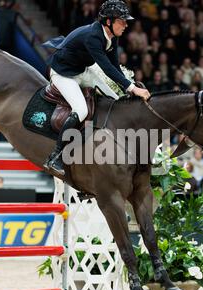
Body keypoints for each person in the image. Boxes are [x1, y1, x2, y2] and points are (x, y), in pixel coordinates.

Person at [42, 0, 151, 176]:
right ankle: (55, 157)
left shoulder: (112, 36)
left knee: (116, 100)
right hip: (63, 73)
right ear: (108, 21)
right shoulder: (92, 36)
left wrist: (126, 90)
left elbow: (115, 65)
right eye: (122, 21)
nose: (125, 25)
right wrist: (133, 88)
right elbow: (106, 68)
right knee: (81, 110)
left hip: (82, 70)